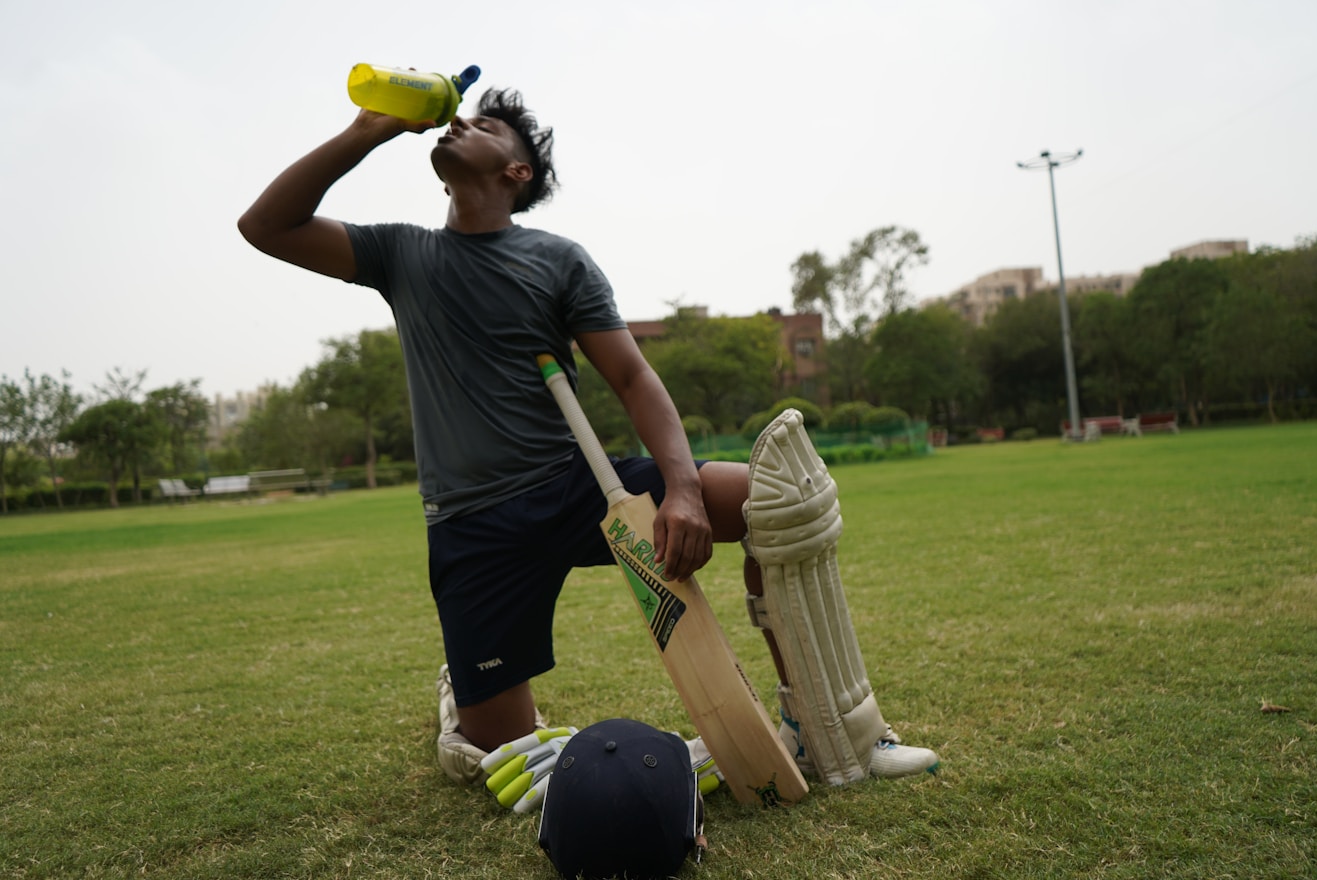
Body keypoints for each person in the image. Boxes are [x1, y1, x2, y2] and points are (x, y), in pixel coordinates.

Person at [237, 87, 937, 800]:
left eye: (485, 125)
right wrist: (367, 130)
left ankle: (833, 730)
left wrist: (686, 492)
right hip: (473, 527)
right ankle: (465, 703)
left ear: (517, 173)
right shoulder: (400, 253)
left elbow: (633, 377)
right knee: (500, 756)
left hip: (577, 488)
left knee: (776, 501)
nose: (459, 124)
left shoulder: (556, 259)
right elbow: (265, 225)